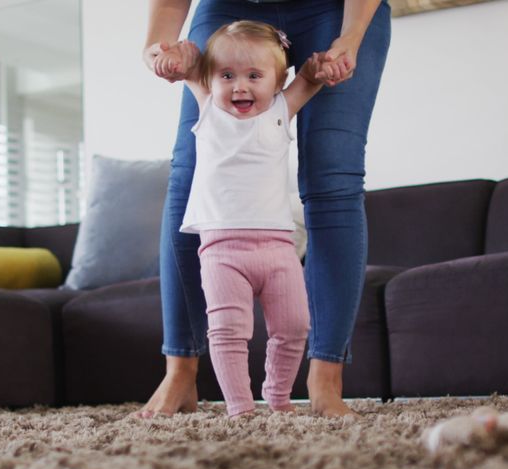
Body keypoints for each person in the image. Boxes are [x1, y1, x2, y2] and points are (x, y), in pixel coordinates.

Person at [138, 0, 390, 418]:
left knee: (333, 175)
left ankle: (325, 381)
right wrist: (159, 51)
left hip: (333, 9)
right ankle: (180, 372)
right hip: (226, 8)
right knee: (189, 172)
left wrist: (349, 37)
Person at [161, 21, 330, 417]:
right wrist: (173, 59)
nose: (239, 87)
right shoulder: (207, 108)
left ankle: (279, 395)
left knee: (294, 326)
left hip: (277, 248)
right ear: (210, 78)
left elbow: (308, 79)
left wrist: (319, 69)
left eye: (254, 76)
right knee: (228, 331)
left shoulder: (280, 109)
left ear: (277, 80)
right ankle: (239, 406)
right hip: (221, 250)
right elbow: (183, 70)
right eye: (227, 76)